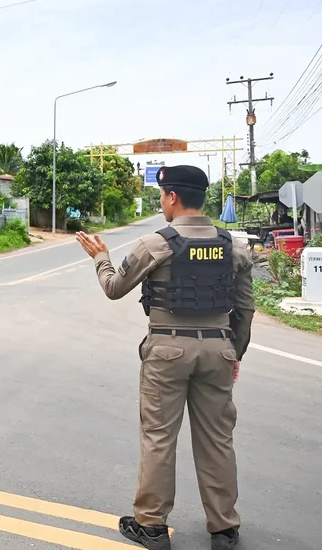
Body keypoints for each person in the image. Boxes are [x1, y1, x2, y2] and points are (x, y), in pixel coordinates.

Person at [75, 165, 255, 550]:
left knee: (158, 438)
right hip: (219, 348)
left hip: (167, 350)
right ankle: (224, 530)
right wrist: (233, 352)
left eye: (162, 197)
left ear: (172, 197)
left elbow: (114, 287)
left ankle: (152, 526)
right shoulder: (233, 247)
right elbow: (246, 308)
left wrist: (101, 257)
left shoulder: (156, 244)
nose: (161, 203)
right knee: (218, 440)